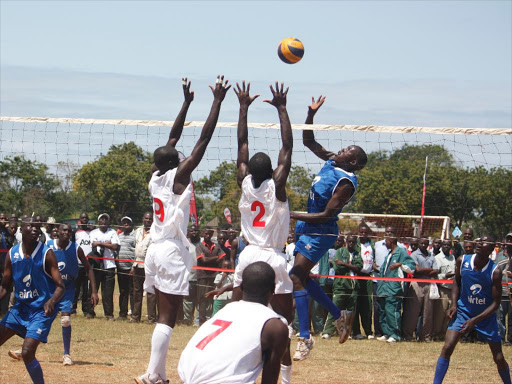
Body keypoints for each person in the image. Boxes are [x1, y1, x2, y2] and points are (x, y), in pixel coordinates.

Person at [135, 75, 230, 384]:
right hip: (172, 249)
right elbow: (203, 139)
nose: (180, 152)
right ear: (176, 161)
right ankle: (152, 374)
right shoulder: (178, 177)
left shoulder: (155, 176)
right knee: (168, 316)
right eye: (178, 154)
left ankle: (157, 374)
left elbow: (172, 138)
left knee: (167, 315)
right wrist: (216, 101)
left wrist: (186, 103)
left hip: (156, 249)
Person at [288, 95, 368, 360]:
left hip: (321, 230)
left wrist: (289, 214)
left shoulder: (346, 182)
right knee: (300, 277)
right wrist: (310, 114)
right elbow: (308, 141)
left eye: (348, 151)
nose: (342, 150)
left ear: (353, 162)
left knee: (296, 276)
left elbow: (325, 215)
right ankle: (337, 315)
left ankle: (304, 337)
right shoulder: (333, 161)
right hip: (306, 225)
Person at [231, 80, 295, 379]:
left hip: (247, 255)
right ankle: (285, 377)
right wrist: (282, 108)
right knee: (283, 320)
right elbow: (287, 146)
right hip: (272, 255)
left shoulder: (244, 181)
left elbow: (241, 144)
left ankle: (236, 362)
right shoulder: (277, 187)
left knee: (240, 315)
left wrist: (243, 107)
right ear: (272, 172)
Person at [178, 261, 289, 384]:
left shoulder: (226, 310)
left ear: (241, 287)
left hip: (186, 376)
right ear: (274, 288)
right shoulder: (275, 327)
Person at [433, 235, 511, 384]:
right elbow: (456, 280)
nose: (479, 243)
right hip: (463, 312)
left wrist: (474, 321)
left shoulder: (495, 271)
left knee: (498, 357)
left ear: (491, 249)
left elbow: (496, 303)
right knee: (447, 347)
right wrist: (454, 304)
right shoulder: (462, 261)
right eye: (479, 241)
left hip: (485, 316)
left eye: (484, 242)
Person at [0, 216, 65, 384]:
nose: (36, 230)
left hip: (41, 310)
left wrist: (51, 302)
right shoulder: (12, 254)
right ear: (22, 230)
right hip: (20, 308)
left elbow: (60, 286)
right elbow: (6, 286)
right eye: (31, 227)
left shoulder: (46, 253)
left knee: (27, 351)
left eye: (38, 227)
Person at [376, 230, 416, 343]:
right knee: (383, 311)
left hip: (394, 288)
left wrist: (400, 264)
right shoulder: (389, 254)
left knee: (392, 310)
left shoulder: (401, 252)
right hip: (383, 288)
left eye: (386, 241)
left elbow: (412, 267)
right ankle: (387, 333)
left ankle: (395, 334)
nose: (385, 243)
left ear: (391, 241)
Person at [322, 234, 362, 339]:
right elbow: (337, 267)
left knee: (350, 311)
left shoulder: (357, 254)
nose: (351, 244)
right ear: (346, 241)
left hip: (353, 286)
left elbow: (358, 268)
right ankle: (327, 331)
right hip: (340, 285)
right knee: (334, 308)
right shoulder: (340, 252)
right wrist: (350, 267)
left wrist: (344, 264)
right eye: (349, 241)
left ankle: (348, 332)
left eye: (353, 242)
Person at [402, 237, 439, 342]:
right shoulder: (414, 255)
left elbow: (436, 270)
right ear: (418, 244)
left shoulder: (431, 255)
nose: (424, 245)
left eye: (426, 244)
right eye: (422, 243)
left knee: (428, 311)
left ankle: (425, 336)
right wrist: (429, 269)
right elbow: (416, 270)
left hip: (429, 284)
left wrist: (425, 271)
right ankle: (408, 335)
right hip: (416, 284)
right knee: (412, 311)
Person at [89, 213, 120, 320]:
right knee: (93, 289)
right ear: (99, 222)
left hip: (109, 266)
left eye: (106, 220)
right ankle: (90, 312)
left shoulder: (113, 232)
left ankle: (109, 314)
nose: (104, 221)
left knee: (108, 292)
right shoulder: (93, 232)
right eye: (102, 219)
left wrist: (100, 243)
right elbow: (93, 245)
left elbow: (115, 246)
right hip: (96, 265)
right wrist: (108, 243)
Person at [196, 227, 225, 325]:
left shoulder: (216, 246)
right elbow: (203, 260)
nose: (208, 236)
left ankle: (213, 319)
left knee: (214, 298)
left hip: (214, 276)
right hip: (202, 276)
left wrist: (208, 258)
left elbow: (223, 258)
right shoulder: (199, 246)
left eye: (210, 234)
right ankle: (201, 321)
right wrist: (216, 257)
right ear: (203, 234)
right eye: (206, 234)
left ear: (212, 235)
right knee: (203, 299)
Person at [132, 211, 156, 323]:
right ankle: (135, 316)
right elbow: (135, 248)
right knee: (137, 291)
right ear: (143, 219)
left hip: (149, 266)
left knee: (150, 292)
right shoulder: (137, 231)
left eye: (150, 219)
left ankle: (151, 318)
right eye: (146, 219)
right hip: (137, 264)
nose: (148, 221)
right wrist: (133, 265)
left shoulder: (155, 232)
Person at [353, 222, 375, 339]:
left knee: (367, 305)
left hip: (368, 278)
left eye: (365, 232)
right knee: (355, 304)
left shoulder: (371, 244)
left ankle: (368, 331)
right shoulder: (354, 244)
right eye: (361, 232)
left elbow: (373, 258)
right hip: (356, 277)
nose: (363, 234)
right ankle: (356, 331)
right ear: (358, 233)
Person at [433, 239, 456, 340]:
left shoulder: (452, 258)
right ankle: (436, 333)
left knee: (449, 313)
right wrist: (445, 275)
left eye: (448, 245)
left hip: (452, 289)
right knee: (440, 313)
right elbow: (435, 275)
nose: (447, 246)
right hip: (442, 288)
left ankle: (444, 333)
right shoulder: (437, 258)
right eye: (445, 245)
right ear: (442, 246)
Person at [73, 212, 93, 317]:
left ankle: (85, 310)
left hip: (88, 265)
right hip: (77, 264)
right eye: (82, 218)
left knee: (86, 289)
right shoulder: (76, 232)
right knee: (75, 288)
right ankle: (73, 310)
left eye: (86, 218)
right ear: (80, 219)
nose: (84, 219)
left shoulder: (92, 232)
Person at [117, 216, 136, 320]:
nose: (126, 224)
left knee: (133, 292)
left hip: (131, 269)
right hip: (120, 268)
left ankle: (134, 314)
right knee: (123, 291)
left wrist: (133, 267)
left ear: (132, 224)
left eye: (128, 222)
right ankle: (122, 314)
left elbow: (137, 252)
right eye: (124, 222)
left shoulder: (135, 236)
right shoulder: (119, 236)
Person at [182, 224, 200, 326]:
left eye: (196, 230)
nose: (194, 232)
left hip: (201, 277)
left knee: (199, 300)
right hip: (188, 277)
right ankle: (187, 320)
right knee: (187, 300)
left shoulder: (202, 243)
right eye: (192, 231)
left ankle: (197, 321)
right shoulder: (185, 244)